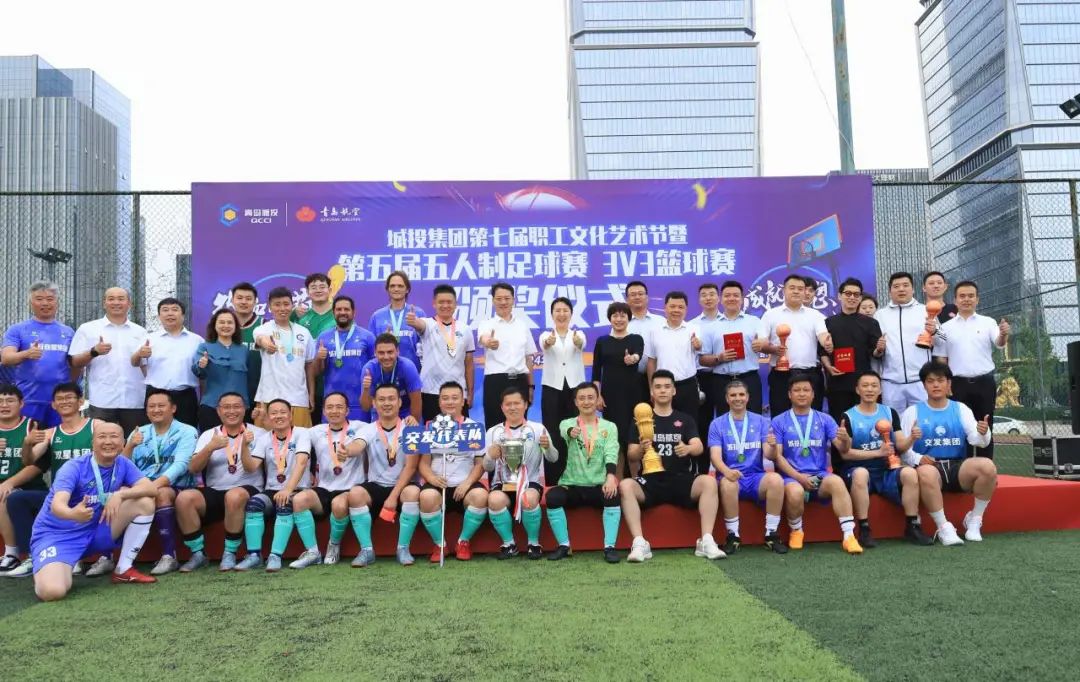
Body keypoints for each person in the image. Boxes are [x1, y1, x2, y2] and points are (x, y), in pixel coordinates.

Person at [31, 422, 158, 601]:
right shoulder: (73, 467)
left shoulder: (123, 463)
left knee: (144, 502)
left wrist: (121, 494)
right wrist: (73, 514)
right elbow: (57, 505)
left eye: (114, 437)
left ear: (123, 443)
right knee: (52, 592)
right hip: (58, 537)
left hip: (94, 530)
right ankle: (50, 566)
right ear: (92, 443)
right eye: (102, 437)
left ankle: (123, 569)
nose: (108, 441)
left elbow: (151, 489)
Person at [620, 370, 723, 563]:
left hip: (680, 479)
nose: (662, 391)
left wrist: (688, 448)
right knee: (625, 486)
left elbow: (699, 446)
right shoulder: (640, 419)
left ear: (674, 391)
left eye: (667, 387)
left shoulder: (685, 419)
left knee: (709, 483)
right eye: (658, 387)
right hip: (650, 481)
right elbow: (631, 455)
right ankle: (640, 543)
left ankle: (706, 540)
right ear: (651, 391)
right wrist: (641, 448)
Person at [4, 383, 100, 578]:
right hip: (59, 496)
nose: (64, 402)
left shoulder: (96, 426)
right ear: (53, 405)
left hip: (92, 494)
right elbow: (29, 460)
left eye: (69, 397)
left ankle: (77, 557)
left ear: (80, 401)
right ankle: (33, 556)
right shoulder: (50, 433)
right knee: (16, 499)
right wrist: (27, 443)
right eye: (60, 399)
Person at [901, 362, 996, 544]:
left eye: (940, 380)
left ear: (949, 383)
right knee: (926, 472)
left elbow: (977, 440)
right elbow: (904, 450)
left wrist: (984, 433)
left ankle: (974, 519)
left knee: (987, 466)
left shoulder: (960, 409)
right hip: (930, 468)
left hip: (957, 468)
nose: (936, 385)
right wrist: (918, 458)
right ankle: (944, 527)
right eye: (930, 381)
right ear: (924, 385)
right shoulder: (912, 412)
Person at [836, 371, 933, 547]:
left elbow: (900, 446)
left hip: (886, 469)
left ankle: (912, 525)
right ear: (857, 390)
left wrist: (911, 438)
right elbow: (846, 454)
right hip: (857, 469)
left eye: (874, 386)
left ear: (880, 390)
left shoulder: (889, 412)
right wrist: (877, 453)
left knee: (910, 474)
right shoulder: (848, 416)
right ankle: (864, 529)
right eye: (865, 386)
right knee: (861, 474)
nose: (870, 389)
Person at [770, 375, 863, 554]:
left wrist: (845, 439)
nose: (802, 394)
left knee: (836, 482)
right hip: (791, 478)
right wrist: (799, 477)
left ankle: (849, 536)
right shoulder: (779, 421)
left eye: (806, 390)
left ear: (813, 394)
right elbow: (777, 457)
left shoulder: (825, 419)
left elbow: (843, 449)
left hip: (818, 477)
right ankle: (796, 530)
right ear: (789, 394)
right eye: (797, 390)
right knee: (795, 492)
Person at [176, 392, 263, 572]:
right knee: (184, 499)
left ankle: (229, 552)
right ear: (218, 411)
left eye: (236, 406)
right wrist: (210, 447)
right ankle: (198, 554)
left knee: (234, 496)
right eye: (226, 407)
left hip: (248, 489)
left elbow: (253, 467)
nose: (232, 411)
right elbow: (193, 468)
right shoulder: (209, 435)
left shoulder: (258, 433)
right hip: (216, 489)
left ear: (245, 409)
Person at [121, 389, 198, 575]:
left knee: (161, 493)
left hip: (176, 485)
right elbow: (123, 466)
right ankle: (107, 557)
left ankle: (169, 556)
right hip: (143, 485)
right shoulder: (138, 432)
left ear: (173, 408)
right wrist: (130, 445)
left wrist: (150, 488)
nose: (156, 410)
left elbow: (182, 465)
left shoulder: (187, 431)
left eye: (161, 406)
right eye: (151, 406)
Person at [291, 392, 372, 567]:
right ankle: (313, 552)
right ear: (324, 411)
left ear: (347, 410)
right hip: (324, 488)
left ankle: (333, 545)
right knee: (299, 500)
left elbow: (383, 426)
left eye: (339, 407)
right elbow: (290, 433)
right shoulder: (315, 431)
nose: (334, 411)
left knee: (339, 504)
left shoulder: (361, 427)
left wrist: (409, 421)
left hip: (351, 488)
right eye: (330, 407)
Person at [708, 380, 788, 555]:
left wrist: (773, 446)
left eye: (741, 394)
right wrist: (727, 472)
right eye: (733, 395)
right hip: (730, 475)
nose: (738, 398)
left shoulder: (761, 421)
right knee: (728, 483)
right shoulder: (717, 424)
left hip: (755, 477)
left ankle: (771, 534)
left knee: (776, 480)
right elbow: (715, 457)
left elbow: (769, 455)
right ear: (727, 399)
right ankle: (733, 536)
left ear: (748, 397)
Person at [235, 399, 314, 572]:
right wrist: (244, 446)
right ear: (268, 417)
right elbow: (250, 467)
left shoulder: (301, 433)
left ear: (291, 415)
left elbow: (301, 462)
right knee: (254, 503)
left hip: (297, 489)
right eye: (274, 413)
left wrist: (288, 489)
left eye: (283, 412)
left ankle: (275, 556)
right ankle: (254, 556)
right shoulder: (264, 438)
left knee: (284, 503)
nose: (279, 416)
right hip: (272, 490)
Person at [346, 383, 421, 566]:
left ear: (399, 402)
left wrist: (393, 497)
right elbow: (357, 446)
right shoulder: (368, 429)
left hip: (403, 485)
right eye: (381, 399)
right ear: (374, 403)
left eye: (391, 399)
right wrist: (346, 451)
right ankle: (366, 550)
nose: (386, 403)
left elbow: (411, 467)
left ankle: (403, 548)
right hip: (377, 485)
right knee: (355, 494)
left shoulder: (410, 429)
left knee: (412, 493)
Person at [545, 383, 621, 563]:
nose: (586, 402)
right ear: (576, 402)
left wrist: (611, 477)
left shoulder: (609, 426)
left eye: (590, 397)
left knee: (613, 496)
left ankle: (609, 547)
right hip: (572, 485)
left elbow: (611, 452)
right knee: (553, 497)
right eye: (582, 398)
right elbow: (565, 431)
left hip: (598, 484)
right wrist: (571, 432)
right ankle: (564, 546)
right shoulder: (568, 423)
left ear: (597, 400)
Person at [932, 281, 1008, 459]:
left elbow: (999, 343)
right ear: (955, 300)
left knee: (985, 427)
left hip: (984, 383)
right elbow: (941, 358)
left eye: (971, 296)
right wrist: (946, 384)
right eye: (962, 296)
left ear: (977, 299)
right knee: (960, 428)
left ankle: (985, 468)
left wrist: (1004, 334)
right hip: (957, 385)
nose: (966, 299)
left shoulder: (988, 322)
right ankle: (962, 470)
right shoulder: (945, 328)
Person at [415, 382, 488, 562]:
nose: (450, 402)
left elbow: (480, 463)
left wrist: (467, 483)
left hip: (465, 485)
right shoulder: (430, 427)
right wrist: (432, 478)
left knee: (480, 496)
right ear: (439, 402)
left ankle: (463, 542)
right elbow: (423, 463)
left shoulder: (473, 428)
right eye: (445, 398)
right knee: (426, 497)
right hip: (438, 485)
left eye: (455, 398)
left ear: (463, 401)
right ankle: (440, 544)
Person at [485, 386, 558, 560]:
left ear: (526, 405)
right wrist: (489, 456)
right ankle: (509, 544)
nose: (512, 407)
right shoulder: (493, 432)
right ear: (502, 407)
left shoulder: (537, 429)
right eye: (508, 404)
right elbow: (487, 467)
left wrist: (548, 447)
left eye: (517, 403)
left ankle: (533, 543)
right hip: (503, 482)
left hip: (529, 482)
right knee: (494, 499)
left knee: (528, 498)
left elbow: (553, 458)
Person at [820, 278, 883, 466]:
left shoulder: (871, 323)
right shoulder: (828, 323)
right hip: (838, 384)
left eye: (856, 294)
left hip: (864, 387)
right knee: (839, 429)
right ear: (839, 296)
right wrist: (827, 366)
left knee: (867, 428)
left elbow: (876, 353)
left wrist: (879, 349)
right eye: (848, 293)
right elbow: (822, 351)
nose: (852, 297)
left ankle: (870, 466)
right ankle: (840, 469)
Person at [68, 287, 147, 435]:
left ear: (129, 304)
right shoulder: (88, 329)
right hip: (102, 400)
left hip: (134, 400)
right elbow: (74, 362)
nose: (116, 302)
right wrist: (94, 351)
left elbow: (145, 366)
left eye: (121, 299)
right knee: (102, 442)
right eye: (111, 299)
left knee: (135, 444)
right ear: (104, 303)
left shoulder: (140, 332)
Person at [1, 281, 75, 427]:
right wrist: (26, 353)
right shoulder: (17, 329)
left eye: (50, 299)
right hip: (28, 399)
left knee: (57, 439)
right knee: (29, 438)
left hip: (60, 401)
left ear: (57, 302)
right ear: (31, 303)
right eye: (39, 299)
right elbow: (6, 358)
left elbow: (75, 364)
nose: (45, 303)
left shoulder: (68, 332)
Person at [761, 275, 833, 415]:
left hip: (810, 374)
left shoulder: (815, 315)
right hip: (782, 375)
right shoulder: (770, 315)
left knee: (812, 417)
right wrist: (773, 349)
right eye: (792, 288)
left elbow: (823, 335)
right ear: (784, 290)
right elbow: (762, 342)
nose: (796, 291)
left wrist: (827, 342)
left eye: (800, 289)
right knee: (781, 416)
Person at [406, 284, 475, 422]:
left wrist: (470, 392)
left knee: (460, 432)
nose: (445, 305)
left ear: (455, 304)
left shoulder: (465, 329)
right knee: (432, 431)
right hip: (431, 392)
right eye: (441, 302)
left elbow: (469, 364)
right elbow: (419, 325)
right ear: (434, 304)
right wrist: (413, 321)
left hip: (457, 393)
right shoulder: (428, 324)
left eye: (449, 302)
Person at [590, 302, 645, 478]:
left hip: (633, 395)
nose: (619, 319)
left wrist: (632, 358)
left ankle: (636, 479)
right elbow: (596, 372)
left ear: (628, 318)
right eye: (615, 315)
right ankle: (616, 479)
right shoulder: (602, 341)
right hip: (610, 397)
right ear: (610, 319)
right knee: (615, 438)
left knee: (633, 437)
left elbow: (638, 355)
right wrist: (598, 396)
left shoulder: (636, 338)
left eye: (623, 315)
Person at [700, 280, 767, 416]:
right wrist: (719, 358)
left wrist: (761, 344)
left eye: (736, 295)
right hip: (722, 381)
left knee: (754, 418)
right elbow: (702, 359)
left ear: (742, 299)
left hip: (749, 379)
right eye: (727, 295)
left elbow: (764, 342)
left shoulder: (754, 321)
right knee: (724, 419)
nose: (731, 298)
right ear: (721, 299)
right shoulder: (710, 327)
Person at [253, 286, 317, 428]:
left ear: (292, 305)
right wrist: (267, 344)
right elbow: (260, 338)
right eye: (277, 304)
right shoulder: (263, 328)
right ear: (270, 307)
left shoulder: (304, 333)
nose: (282, 308)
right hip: (269, 398)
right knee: (267, 440)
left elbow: (309, 367)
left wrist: (311, 395)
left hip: (298, 399)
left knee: (300, 439)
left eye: (286, 304)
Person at [134, 298, 204, 427]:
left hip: (185, 396)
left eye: (175, 310)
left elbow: (202, 373)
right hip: (156, 395)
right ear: (159, 316)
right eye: (165, 310)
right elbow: (134, 362)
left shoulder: (196, 340)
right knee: (154, 432)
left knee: (187, 432)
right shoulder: (150, 338)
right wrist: (139, 354)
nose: (170, 313)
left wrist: (202, 399)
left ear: (183, 315)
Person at [477, 282, 537, 428]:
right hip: (496, 381)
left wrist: (531, 386)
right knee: (494, 424)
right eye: (499, 299)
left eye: (507, 298)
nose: (503, 302)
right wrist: (489, 342)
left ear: (513, 300)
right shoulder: (486, 324)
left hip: (520, 381)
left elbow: (528, 359)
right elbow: (484, 338)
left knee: (520, 426)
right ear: (493, 301)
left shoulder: (522, 325)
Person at [538, 297, 585, 484]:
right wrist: (549, 342)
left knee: (575, 431)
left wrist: (578, 341)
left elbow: (581, 344)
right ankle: (553, 479)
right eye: (557, 310)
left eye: (565, 310)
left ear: (571, 314)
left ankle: (577, 476)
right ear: (552, 314)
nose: (561, 314)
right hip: (552, 388)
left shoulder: (578, 334)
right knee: (552, 431)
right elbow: (545, 344)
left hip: (574, 389)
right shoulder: (545, 335)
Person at [0, 386, 47, 574]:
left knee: (3, 494)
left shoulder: (33, 426)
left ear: (21, 404)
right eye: (0, 401)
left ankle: (11, 554)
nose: (4, 405)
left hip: (28, 488)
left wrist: (10, 483)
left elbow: (38, 465)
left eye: (10, 401)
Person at [873, 272, 935, 414]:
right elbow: (874, 350)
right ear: (890, 291)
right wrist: (878, 349)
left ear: (913, 289)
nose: (901, 289)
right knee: (893, 422)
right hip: (890, 383)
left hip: (921, 381)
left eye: (905, 285)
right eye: (896, 286)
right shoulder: (880, 315)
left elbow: (943, 340)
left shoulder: (926, 310)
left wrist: (935, 332)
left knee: (923, 420)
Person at [315, 295, 375, 422]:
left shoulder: (367, 337)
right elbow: (316, 372)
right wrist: (319, 358)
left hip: (360, 403)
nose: (342, 312)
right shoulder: (323, 337)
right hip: (332, 405)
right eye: (339, 309)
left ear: (354, 312)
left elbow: (376, 368)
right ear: (333, 312)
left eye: (346, 309)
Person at [644, 291, 703, 419]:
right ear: (665, 307)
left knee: (690, 422)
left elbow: (699, 350)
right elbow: (651, 361)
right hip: (663, 387)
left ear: (686, 309)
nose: (676, 310)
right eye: (672, 306)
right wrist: (651, 389)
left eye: (680, 307)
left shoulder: (694, 329)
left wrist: (698, 345)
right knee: (663, 423)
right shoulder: (654, 331)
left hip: (688, 385)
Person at [192, 308, 249, 432]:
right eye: (221, 322)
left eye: (230, 322)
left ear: (235, 326)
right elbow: (198, 371)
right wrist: (202, 364)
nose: (226, 326)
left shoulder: (243, 349)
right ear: (214, 325)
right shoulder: (205, 347)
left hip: (239, 408)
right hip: (212, 406)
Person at [293, 273, 338, 423]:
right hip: (304, 386)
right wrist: (293, 314)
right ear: (307, 292)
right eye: (313, 287)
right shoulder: (300, 318)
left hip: (334, 383)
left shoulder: (339, 316)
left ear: (329, 290)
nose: (318, 290)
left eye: (322, 286)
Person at [367, 270, 425, 372]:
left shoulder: (418, 313)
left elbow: (426, 344)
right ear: (387, 289)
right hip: (385, 373)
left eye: (400, 286)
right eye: (392, 286)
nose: (396, 289)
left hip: (413, 371)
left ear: (407, 289)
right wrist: (383, 340)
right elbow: (371, 349)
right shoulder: (377, 316)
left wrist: (417, 325)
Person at [359, 333, 422, 423]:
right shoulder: (369, 370)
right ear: (375, 353)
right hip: (381, 412)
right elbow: (366, 407)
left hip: (405, 411)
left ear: (397, 351)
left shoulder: (408, 367)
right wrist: (366, 390)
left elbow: (416, 401)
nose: (386, 357)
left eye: (390, 352)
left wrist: (414, 423)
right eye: (381, 353)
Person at [692, 283, 722, 444]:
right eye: (704, 295)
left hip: (723, 375)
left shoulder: (727, 321)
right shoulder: (692, 325)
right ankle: (703, 458)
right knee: (703, 421)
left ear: (719, 298)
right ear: (699, 299)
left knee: (725, 418)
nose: (708, 298)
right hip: (701, 377)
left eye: (712, 294)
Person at [625, 280, 664, 399]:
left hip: (659, 377)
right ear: (627, 299)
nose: (637, 297)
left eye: (640, 294)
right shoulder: (622, 323)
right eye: (633, 294)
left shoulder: (661, 321)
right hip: (631, 378)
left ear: (647, 297)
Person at [230, 282, 263, 413]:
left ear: (255, 302)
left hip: (259, 394)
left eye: (248, 298)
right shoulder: (223, 326)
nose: (244, 302)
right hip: (229, 394)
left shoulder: (265, 325)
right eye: (239, 298)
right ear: (232, 300)